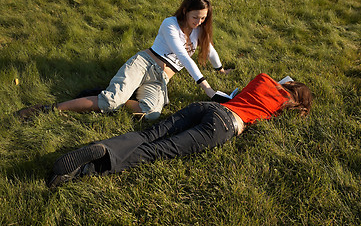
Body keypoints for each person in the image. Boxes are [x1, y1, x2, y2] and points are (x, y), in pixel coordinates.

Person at [47, 73, 313, 188]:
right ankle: (85, 169)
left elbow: (278, 82)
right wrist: (297, 105)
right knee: (157, 150)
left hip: (205, 107)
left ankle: (104, 147)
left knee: (149, 135)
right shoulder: (282, 105)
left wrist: (284, 84)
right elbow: (285, 103)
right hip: (224, 126)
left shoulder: (263, 80)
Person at [18, 0, 231, 120]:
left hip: (160, 78)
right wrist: (207, 88)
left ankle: (121, 96)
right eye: (196, 17)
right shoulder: (170, 24)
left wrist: (219, 69)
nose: (199, 22)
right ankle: (49, 109)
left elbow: (210, 51)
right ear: (185, 10)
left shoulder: (200, 31)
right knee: (109, 103)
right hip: (145, 64)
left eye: (203, 18)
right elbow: (184, 57)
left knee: (151, 113)